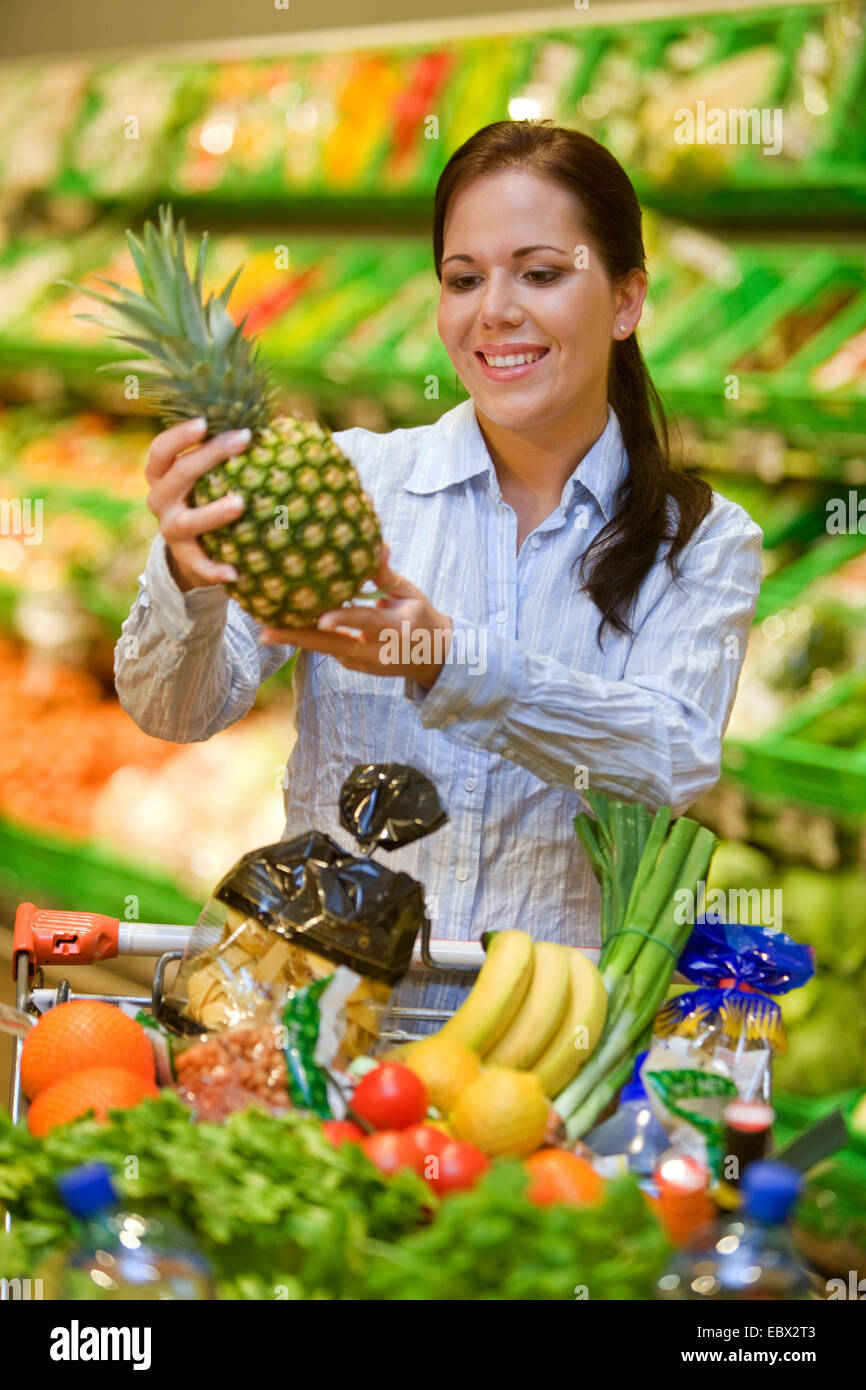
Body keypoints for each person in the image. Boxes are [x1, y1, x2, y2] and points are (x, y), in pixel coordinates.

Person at [115, 120, 762, 1033]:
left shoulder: (698, 541)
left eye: (540, 273)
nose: (494, 310)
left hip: (542, 1052)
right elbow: (176, 712)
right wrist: (188, 572)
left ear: (626, 301)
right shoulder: (353, 483)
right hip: (321, 1040)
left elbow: (669, 758)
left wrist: (442, 660)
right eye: (464, 279)